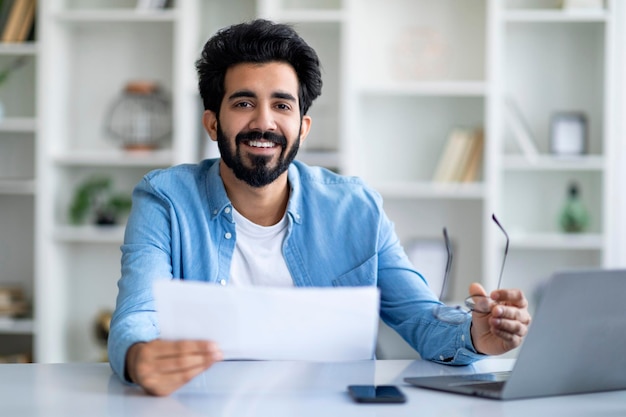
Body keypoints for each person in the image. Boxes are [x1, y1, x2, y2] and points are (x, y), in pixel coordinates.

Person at [108, 19, 531, 397]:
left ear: (303, 127)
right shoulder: (165, 199)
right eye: (242, 103)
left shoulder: (356, 208)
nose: (263, 122)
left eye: (282, 105)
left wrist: (477, 335)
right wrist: (140, 357)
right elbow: (137, 314)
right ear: (212, 122)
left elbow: (421, 318)